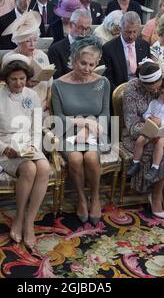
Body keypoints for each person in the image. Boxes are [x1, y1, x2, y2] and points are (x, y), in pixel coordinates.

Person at [0, 54, 50, 250]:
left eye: (22, 78)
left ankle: (29, 222)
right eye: (14, 79)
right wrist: (6, 149)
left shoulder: (32, 95)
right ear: (5, 78)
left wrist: (33, 147)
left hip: (28, 145)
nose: (19, 83)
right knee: (29, 169)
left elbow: (37, 128)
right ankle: (19, 218)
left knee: (44, 167)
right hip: (3, 147)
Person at [51, 36, 110, 226]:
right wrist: (81, 123)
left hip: (96, 130)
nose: (87, 69)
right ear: (73, 60)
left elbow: (106, 114)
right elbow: (58, 117)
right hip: (68, 132)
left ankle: (95, 198)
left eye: (92, 64)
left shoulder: (103, 82)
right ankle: (81, 199)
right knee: (76, 158)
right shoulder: (58, 85)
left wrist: (90, 127)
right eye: (83, 63)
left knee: (91, 157)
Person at [122, 61, 164, 219]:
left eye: (157, 87)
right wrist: (151, 125)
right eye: (151, 89)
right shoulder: (131, 89)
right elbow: (131, 125)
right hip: (138, 134)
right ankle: (156, 196)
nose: (156, 91)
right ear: (142, 83)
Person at [127, 75, 164, 191]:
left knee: (160, 144)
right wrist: (149, 118)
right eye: (162, 93)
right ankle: (135, 163)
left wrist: (161, 121)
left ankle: (154, 167)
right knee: (140, 140)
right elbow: (146, 113)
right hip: (153, 128)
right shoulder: (154, 102)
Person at [3, 11, 53, 117]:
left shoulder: (42, 56)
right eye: (27, 41)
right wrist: (25, 84)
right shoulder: (10, 58)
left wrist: (45, 105)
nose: (32, 45)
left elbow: (50, 87)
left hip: (43, 108)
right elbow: (4, 87)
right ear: (18, 41)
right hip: (18, 109)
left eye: (35, 40)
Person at [102, 11, 150, 92]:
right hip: (119, 92)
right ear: (120, 29)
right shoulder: (108, 48)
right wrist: (119, 95)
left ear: (139, 29)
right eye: (128, 32)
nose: (131, 36)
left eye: (134, 32)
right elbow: (108, 79)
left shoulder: (144, 46)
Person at [48, 9, 92, 78]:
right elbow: (58, 80)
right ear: (71, 25)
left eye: (87, 29)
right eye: (80, 28)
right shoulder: (55, 50)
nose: (83, 33)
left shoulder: (92, 48)